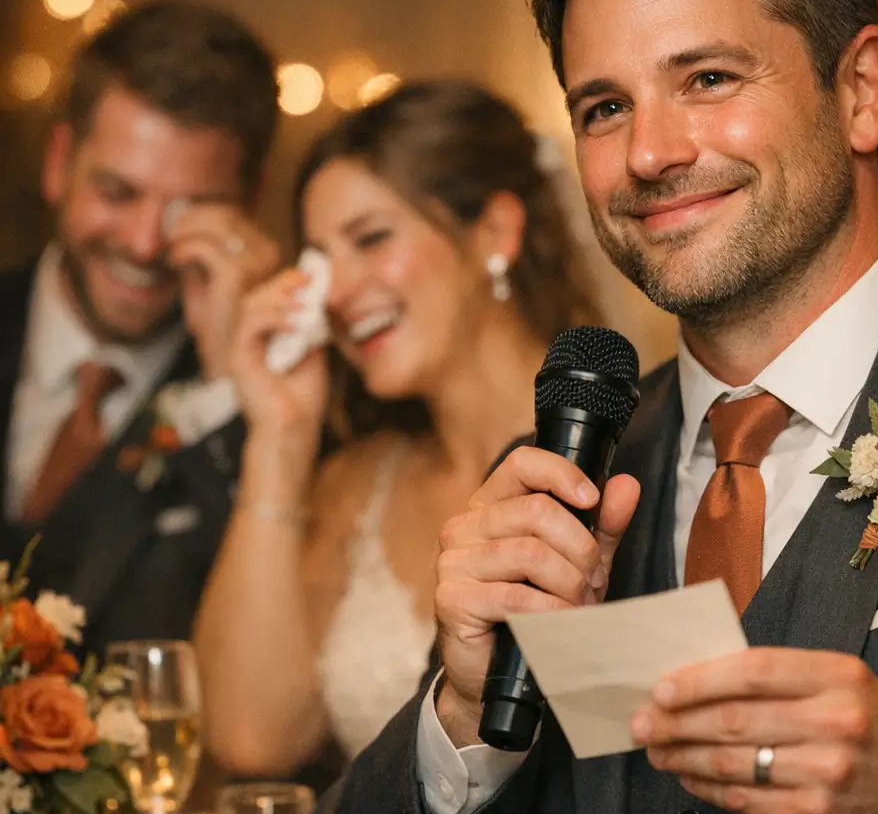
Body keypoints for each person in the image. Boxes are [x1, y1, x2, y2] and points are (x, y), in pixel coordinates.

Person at [295, 0, 878, 814]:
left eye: (708, 79)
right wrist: (462, 718)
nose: (647, 153)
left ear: (861, 91)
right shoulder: (564, 479)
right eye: (603, 107)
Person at [194, 79, 600, 776]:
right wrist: (281, 434)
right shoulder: (356, 483)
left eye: (372, 239)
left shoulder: (634, 454)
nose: (339, 295)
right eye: (321, 260)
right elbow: (249, 737)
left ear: (495, 233)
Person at [0, 0, 282, 657]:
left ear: (249, 203)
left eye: (190, 210)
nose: (146, 242)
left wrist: (230, 385)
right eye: (118, 193)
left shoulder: (268, 407)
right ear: (58, 162)